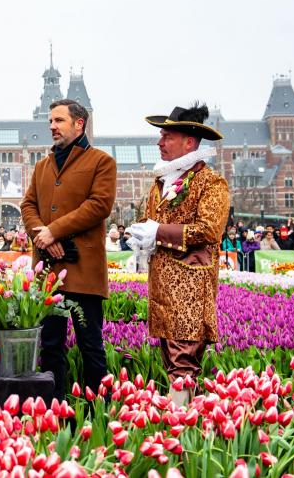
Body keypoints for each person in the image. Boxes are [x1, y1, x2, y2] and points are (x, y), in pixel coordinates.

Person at [127, 103, 228, 406]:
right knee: (173, 364)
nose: (159, 143)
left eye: (167, 136)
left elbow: (210, 230)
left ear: (189, 142)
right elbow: (151, 222)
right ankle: (188, 423)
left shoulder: (211, 182)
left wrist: (159, 233)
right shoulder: (160, 182)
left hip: (190, 289)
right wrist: (142, 238)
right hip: (161, 290)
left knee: (183, 366)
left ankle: (179, 426)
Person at [20, 99, 116, 402]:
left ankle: (99, 410)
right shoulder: (42, 165)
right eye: (50, 121)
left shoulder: (101, 161)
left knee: (90, 345)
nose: (52, 127)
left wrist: (54, 230)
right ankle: (53, 409)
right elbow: (28, 206)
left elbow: (99, 205)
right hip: (49, 271)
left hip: (84, 272)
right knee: (50, 345)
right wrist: (43, 236)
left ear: (79, 124)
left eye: (59, 120)